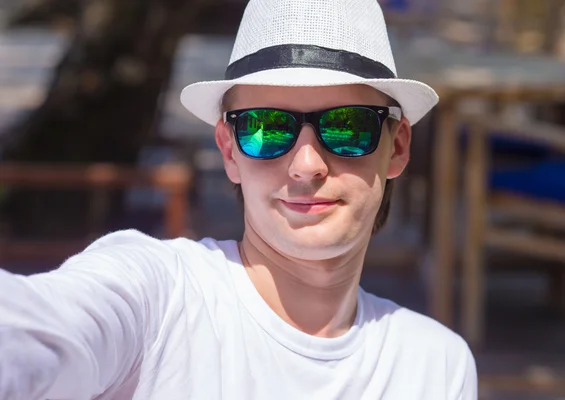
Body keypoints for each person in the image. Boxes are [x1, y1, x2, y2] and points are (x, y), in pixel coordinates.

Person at [0, 0, 477, 398]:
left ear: (396, 147)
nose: (306, 164)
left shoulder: (435, 368)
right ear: (229, 151)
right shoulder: (158, 299)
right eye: (266, 128)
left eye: (347, 126)